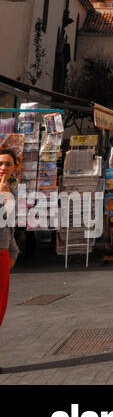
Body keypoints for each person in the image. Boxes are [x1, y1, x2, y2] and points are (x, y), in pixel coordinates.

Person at [0, 145, 20, 361]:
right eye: (0, 163)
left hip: (3, 253)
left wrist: (14, 250)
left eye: (8, 164)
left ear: (15, 168)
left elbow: (8, 225)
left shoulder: (11, 192)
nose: (3, 167)